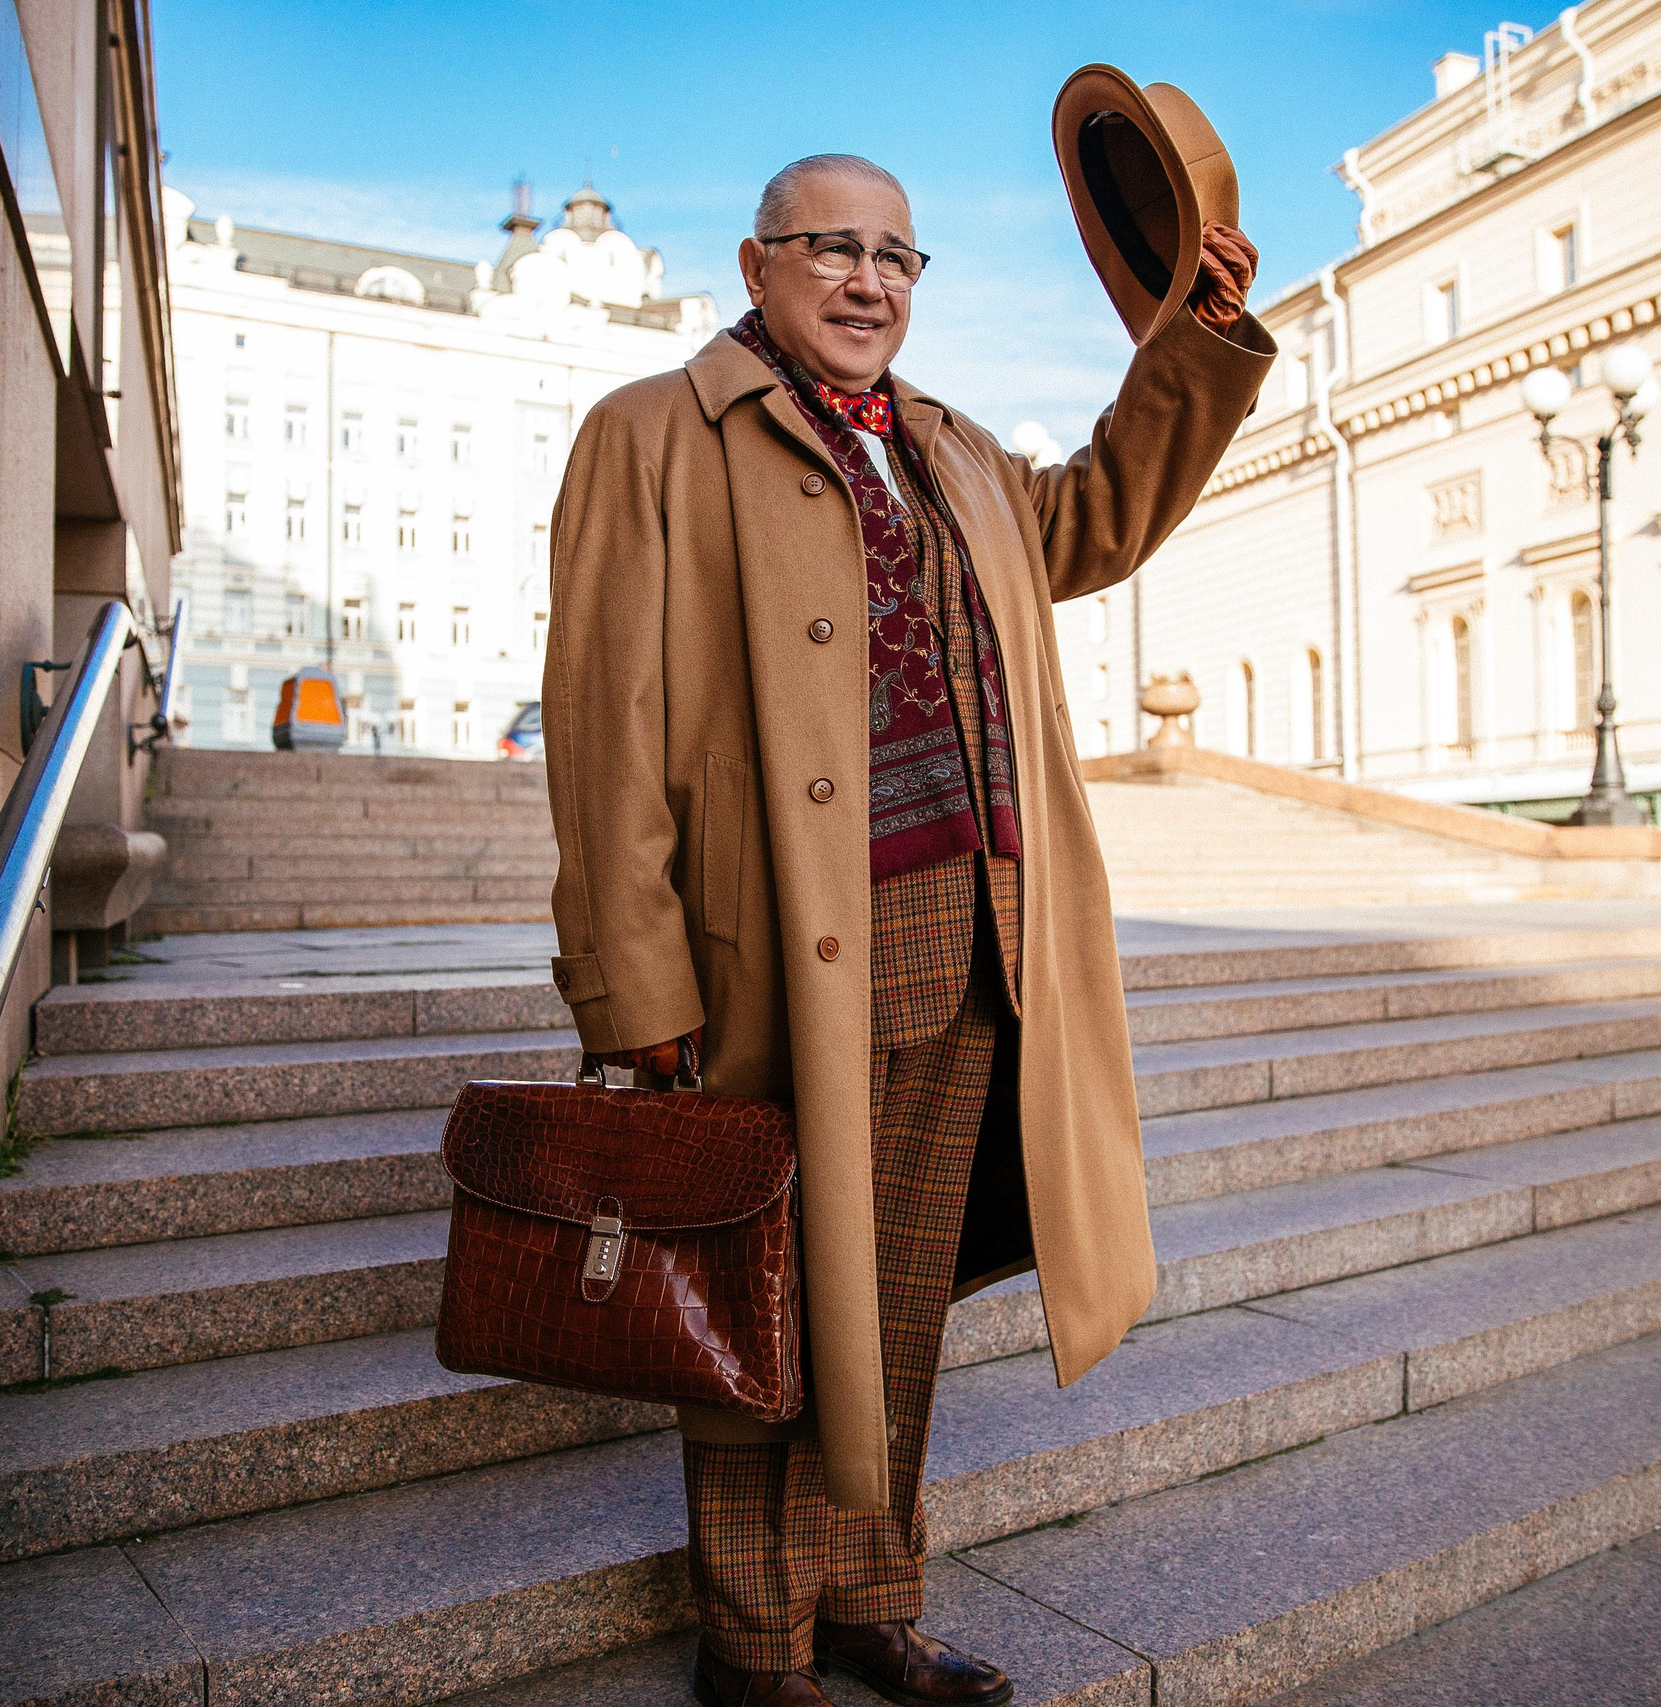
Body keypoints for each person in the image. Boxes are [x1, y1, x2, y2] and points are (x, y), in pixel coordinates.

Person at [541, 152, 1269, 1707]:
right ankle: (755, 1645)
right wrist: (629, 978)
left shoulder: (954, 451)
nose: (871, 282)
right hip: (779, 944)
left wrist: (1192, 345)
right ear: (757, 263)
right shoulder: (653, 434)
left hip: (982, 930)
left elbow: (1102, 516)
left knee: (903, 1290)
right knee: (768, 1296)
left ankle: (874, 1600)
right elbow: (605, 724)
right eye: (834, 250)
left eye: (899, 256)